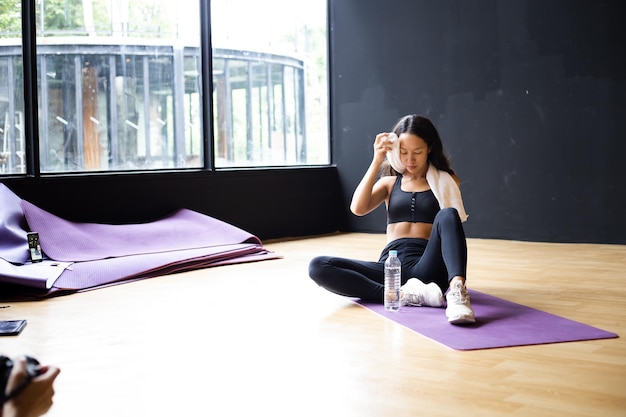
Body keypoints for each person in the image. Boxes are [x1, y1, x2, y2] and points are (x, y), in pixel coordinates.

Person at [308, 114, 475, 324]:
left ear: (430, 148)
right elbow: (357, 208)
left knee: (448, 213)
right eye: (403, 152)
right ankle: (398, 295)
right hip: (391, 268)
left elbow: (452, 224)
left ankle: (458, 290)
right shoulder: (389, 183)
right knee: (318, 265)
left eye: (417, 152)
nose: (410, 160)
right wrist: (377, 160)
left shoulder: (445, 181)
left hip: (428, 265)